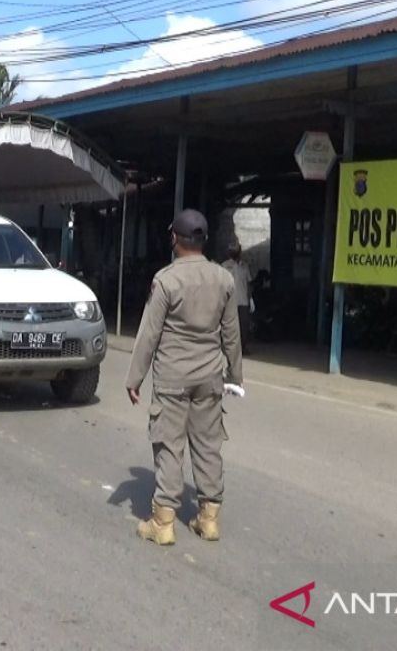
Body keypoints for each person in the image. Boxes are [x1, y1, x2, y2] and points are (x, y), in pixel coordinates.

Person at [125, 209, 245, 546]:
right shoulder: (224, 279)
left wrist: (134, 378)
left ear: (175, 239)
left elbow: (149, 334)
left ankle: (163, 522)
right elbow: (231, 335)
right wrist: (235, 376)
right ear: (203, 241)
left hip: (173, 377)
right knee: (208, 446)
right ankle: (208, 519)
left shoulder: (166, 280)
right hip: (209, 377)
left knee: (169, 445)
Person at [221, 243, 252, 355]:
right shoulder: (224, 266)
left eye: (236, 250)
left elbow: (248, 284)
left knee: (244, 326)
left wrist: (250, 299)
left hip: (243, 300)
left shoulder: (244, 266)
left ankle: (243, 347)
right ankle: (230, 349)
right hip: (230, 301)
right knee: (230, 327)